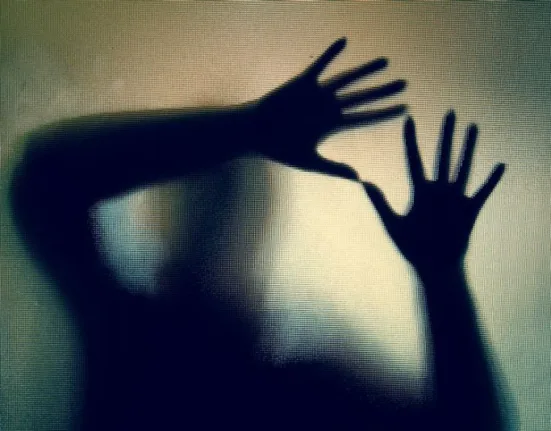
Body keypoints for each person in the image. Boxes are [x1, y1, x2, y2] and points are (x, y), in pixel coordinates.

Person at [9, 38, 511, 429]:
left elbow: (44, 180)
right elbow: (45, 179)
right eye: (206, 198)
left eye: (227, 201)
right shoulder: (137, 337)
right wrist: (245, 132)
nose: (216, 218)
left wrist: (442, 278)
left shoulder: (132, 339)